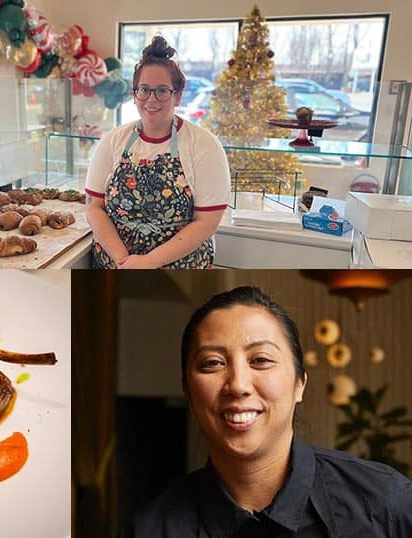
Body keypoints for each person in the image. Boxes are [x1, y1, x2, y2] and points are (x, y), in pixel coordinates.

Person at [126, 286, 412, 537]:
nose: (238, 385)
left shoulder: (386, 504)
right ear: (189, 393)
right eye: (212, 363)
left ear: (300, 383)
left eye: (261, 360)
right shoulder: (151, 528)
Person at [85, 36, 229, 269]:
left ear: (178, 95)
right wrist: (123, 260)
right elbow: (94, 206)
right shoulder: (112, 141)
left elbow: (206, 222)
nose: (151, 99)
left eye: (162, 91)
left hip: (179, 268)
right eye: (144, 90)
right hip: (115, 263)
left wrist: (150, 262)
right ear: (135, 94)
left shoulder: (204, 145)